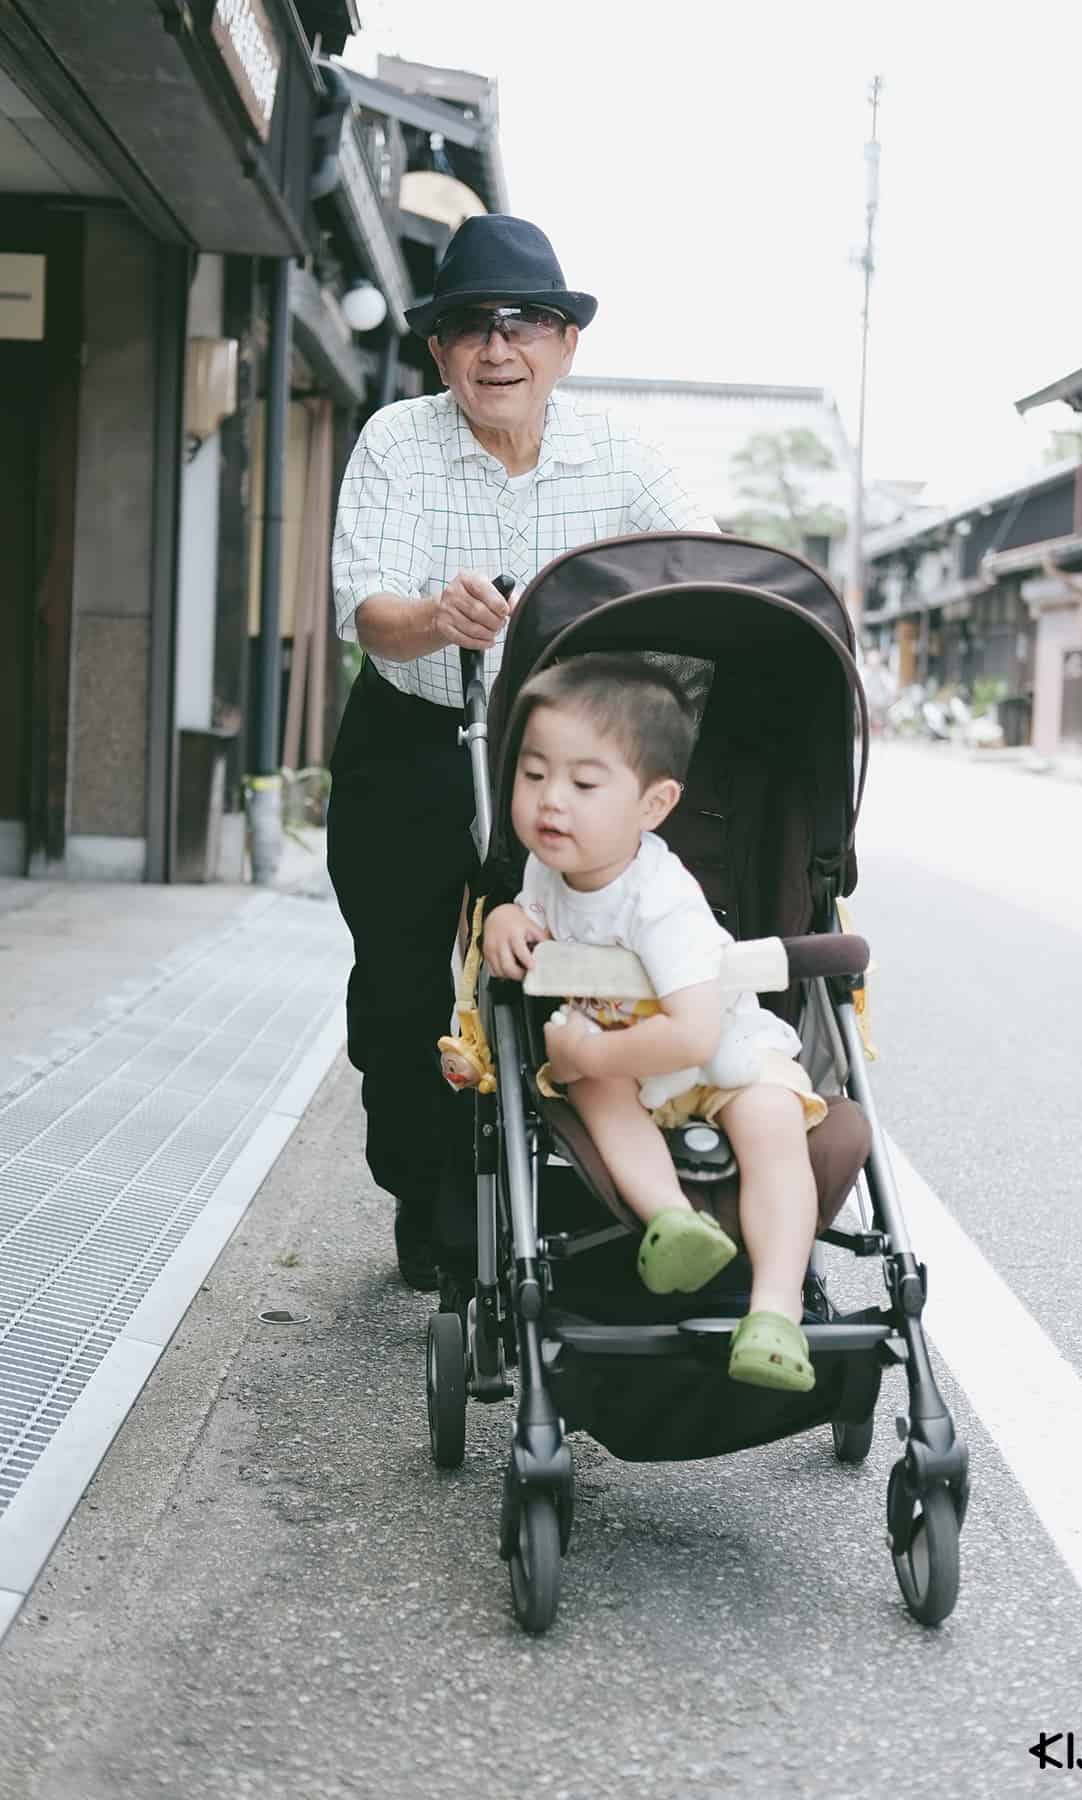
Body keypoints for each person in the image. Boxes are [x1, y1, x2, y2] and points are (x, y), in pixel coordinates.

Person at [328, 216, 716, 1289]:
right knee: (405, 990)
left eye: (525, 323)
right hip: (415, 735)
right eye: (469, 327)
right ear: (438, 349)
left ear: (565, 345)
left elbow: (708, 570)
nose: (499, 348)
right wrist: (431, 617)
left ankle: (560, 1193)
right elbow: (367, 614)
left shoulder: (621, 456)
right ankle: (427, 1198)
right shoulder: (396, 442)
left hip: (563, 762)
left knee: (569, 965)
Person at [482, 655, 826, 1393]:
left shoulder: (661, 901)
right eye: (533, 774)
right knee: (594, 1090)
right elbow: (531, 912)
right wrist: (506, 917)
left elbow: (695, 1035)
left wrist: (588, 1053)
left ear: (653, 804)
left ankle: (775, 1308)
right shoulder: (549, 872)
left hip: (720, 1059)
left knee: (771, 1121)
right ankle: (673, 1222)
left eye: (583, 783)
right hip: (636, 1072)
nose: (551, 802)